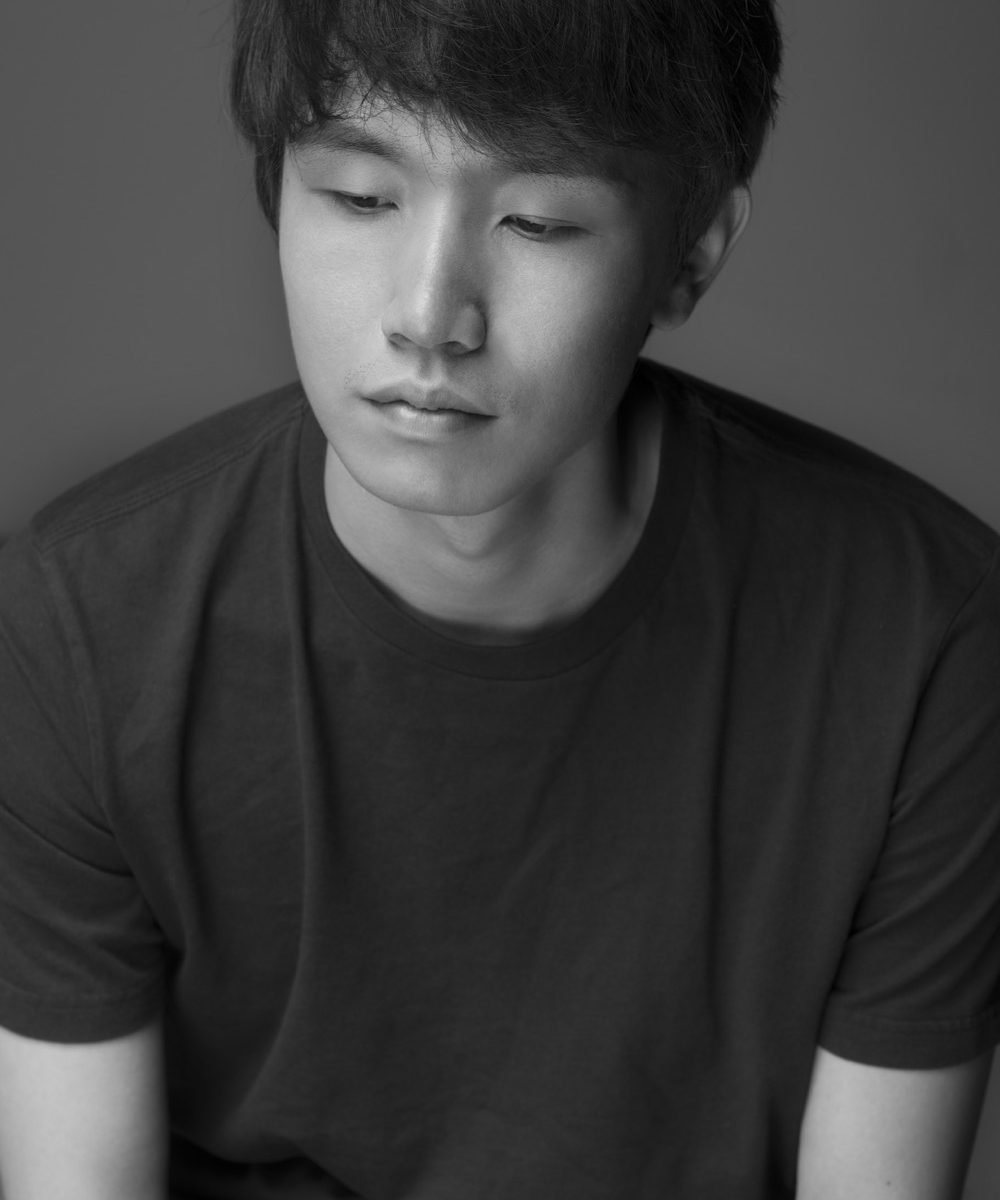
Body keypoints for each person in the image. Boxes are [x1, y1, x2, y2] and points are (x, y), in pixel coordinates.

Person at [0, 0, 998, 1196]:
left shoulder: (927, 637)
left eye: (538, 220)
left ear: (689, 253)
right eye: (359, 199)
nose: (428, 318)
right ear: (275, 192)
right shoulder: (78, 625)